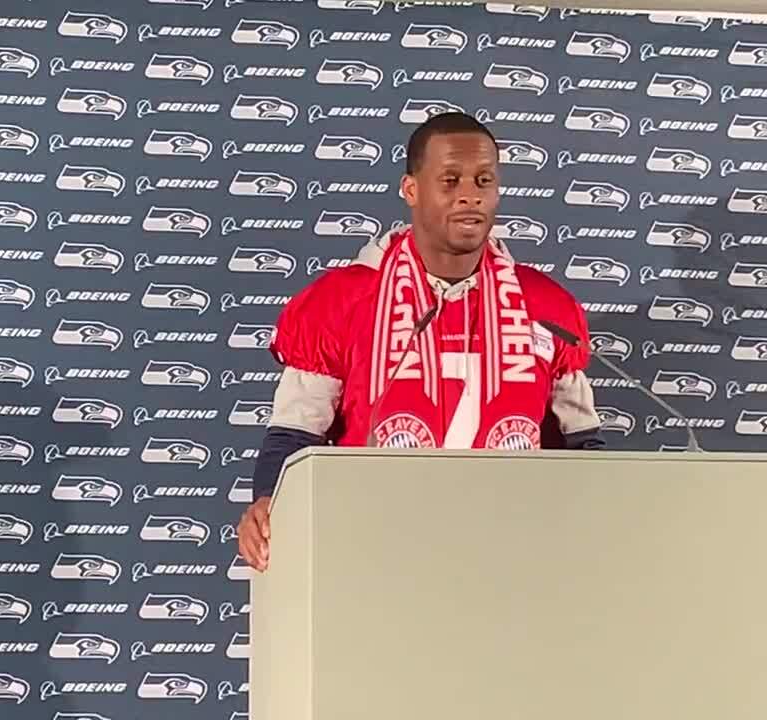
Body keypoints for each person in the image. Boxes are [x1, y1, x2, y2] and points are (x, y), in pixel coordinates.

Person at [236, 112, 606, 571]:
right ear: (411, 189)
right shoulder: (342, 301)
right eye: (450, 180)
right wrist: (271, 505)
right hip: (375, 552)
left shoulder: (547, 309)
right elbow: (296, 434)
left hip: (513, 553)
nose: (470, 194)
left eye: (484, 179)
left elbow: (583, 447)